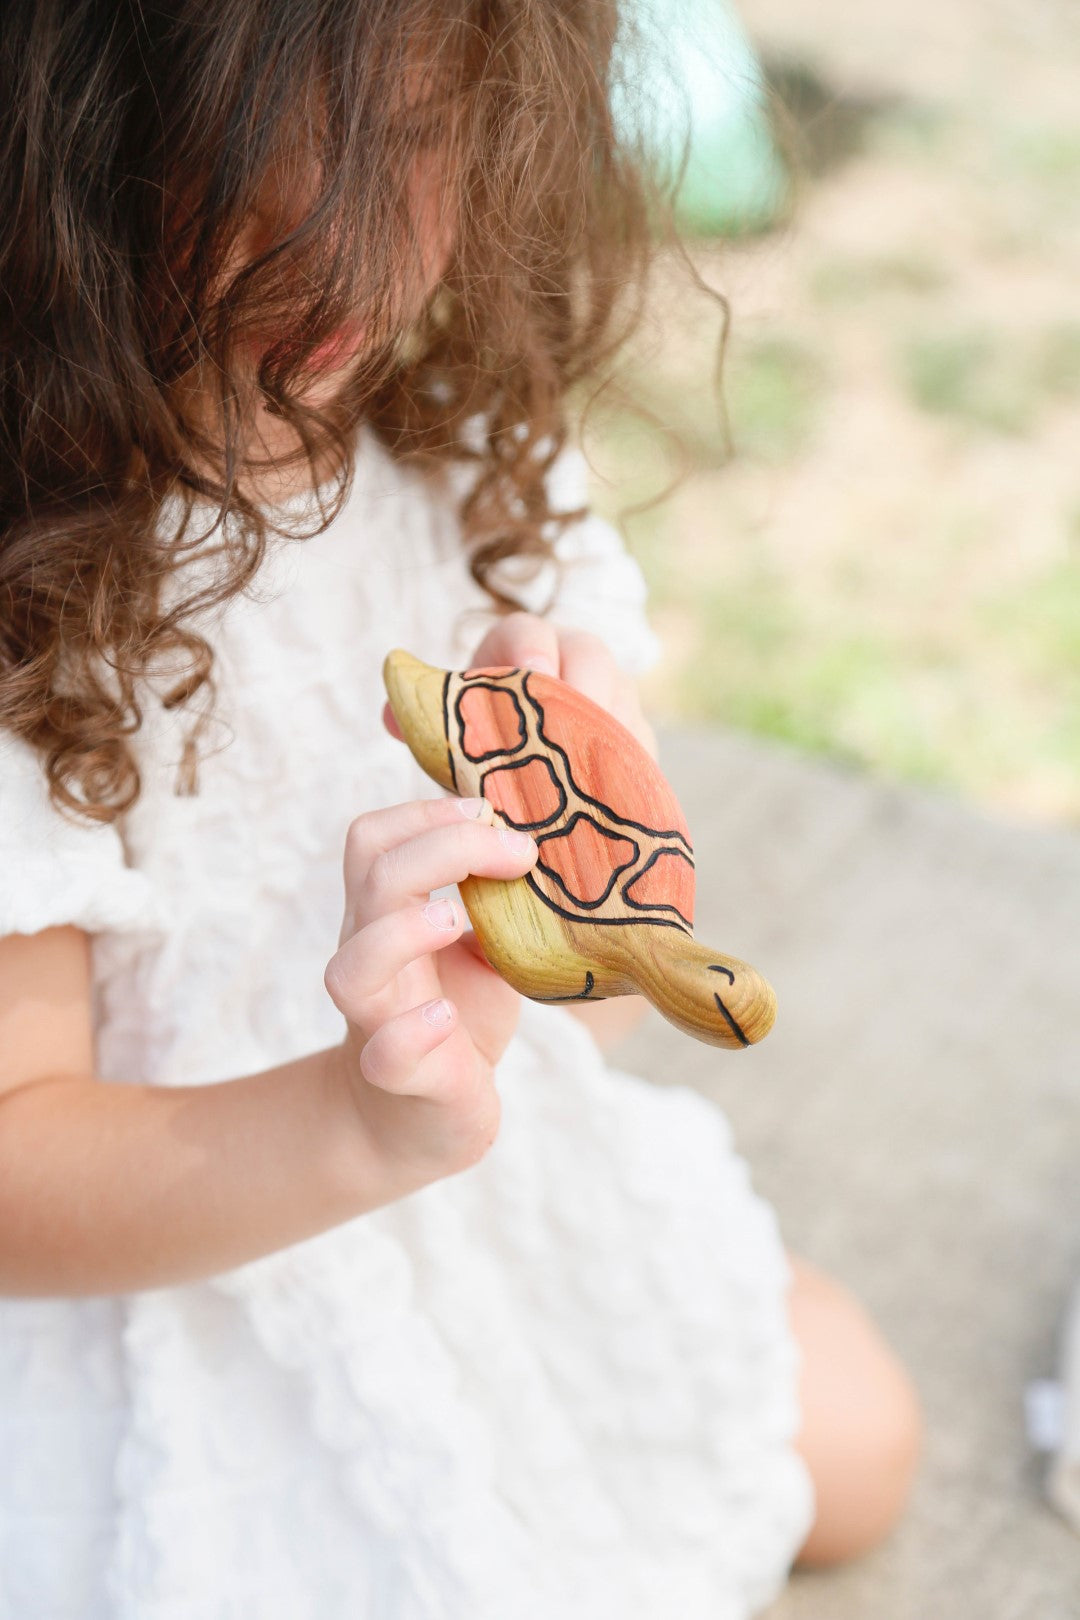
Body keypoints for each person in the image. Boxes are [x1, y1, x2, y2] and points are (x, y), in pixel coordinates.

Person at [0, 2, 921, 1615]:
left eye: (413, 141)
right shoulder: (40, 598)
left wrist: (575, 918)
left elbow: (597, 1016)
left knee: (861, 1449)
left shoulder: (465, 455)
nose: (343, 249)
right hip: (185, 1262)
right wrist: (357, 1124)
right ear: (72, 145)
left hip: (476, 1170)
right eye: (244, 163)